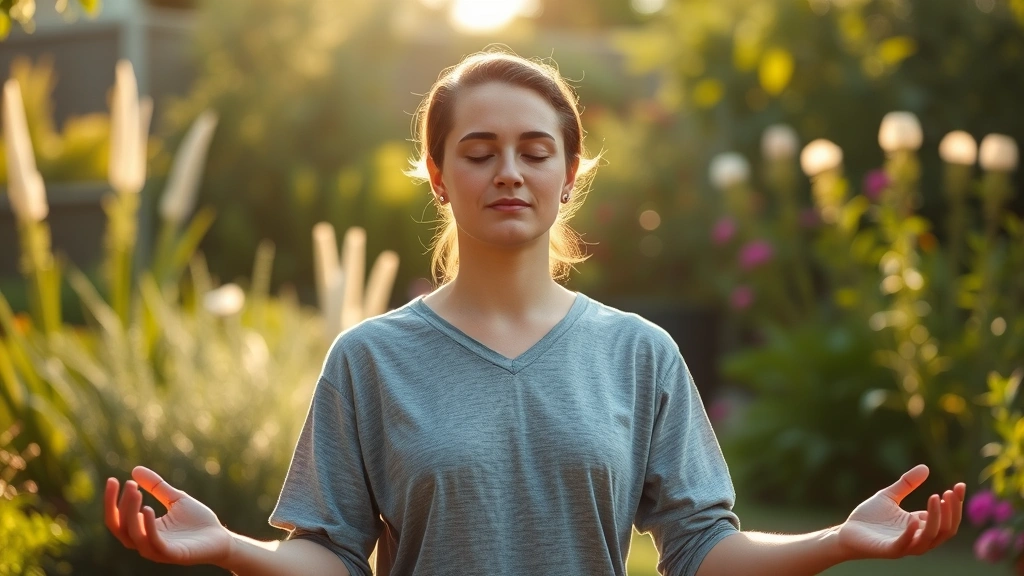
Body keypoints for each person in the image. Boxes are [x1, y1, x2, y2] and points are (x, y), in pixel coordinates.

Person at [105, 50, 966, 576]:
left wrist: (841, 542)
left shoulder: (640, 354)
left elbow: (702, 551)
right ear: (439, 176)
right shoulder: (369, 360)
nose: (507, 172)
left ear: (570, 173)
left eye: (534, 150)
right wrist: (228, 550)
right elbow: (330, 556)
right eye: (477, 153)